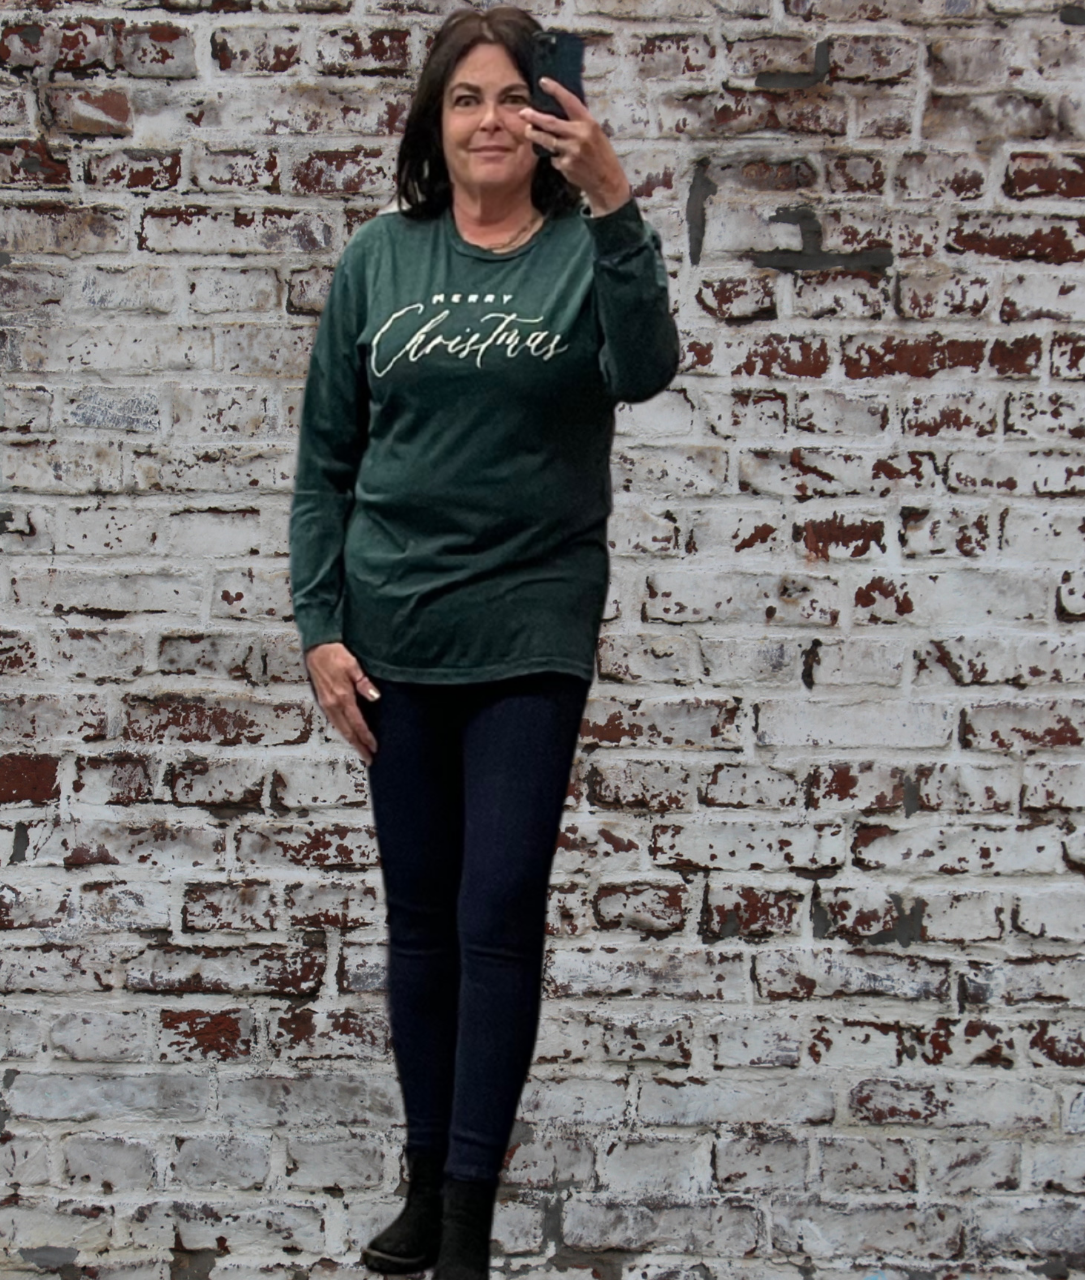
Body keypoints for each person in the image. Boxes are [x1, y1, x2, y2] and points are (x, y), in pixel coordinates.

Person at [287, 7, 679, 1278]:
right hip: (395, 636)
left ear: (549, 115)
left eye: (515, 96)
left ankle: (467, 1219)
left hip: (528, 628)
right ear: (432, 124)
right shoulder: (376, 264)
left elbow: (648, 369)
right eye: (465, 99)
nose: (493, 119)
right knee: (417, 922)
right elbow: (325, 464)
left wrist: (615, 206)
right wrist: (318, 628)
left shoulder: (581, 255)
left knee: (496, 904)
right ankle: (421, 1185)